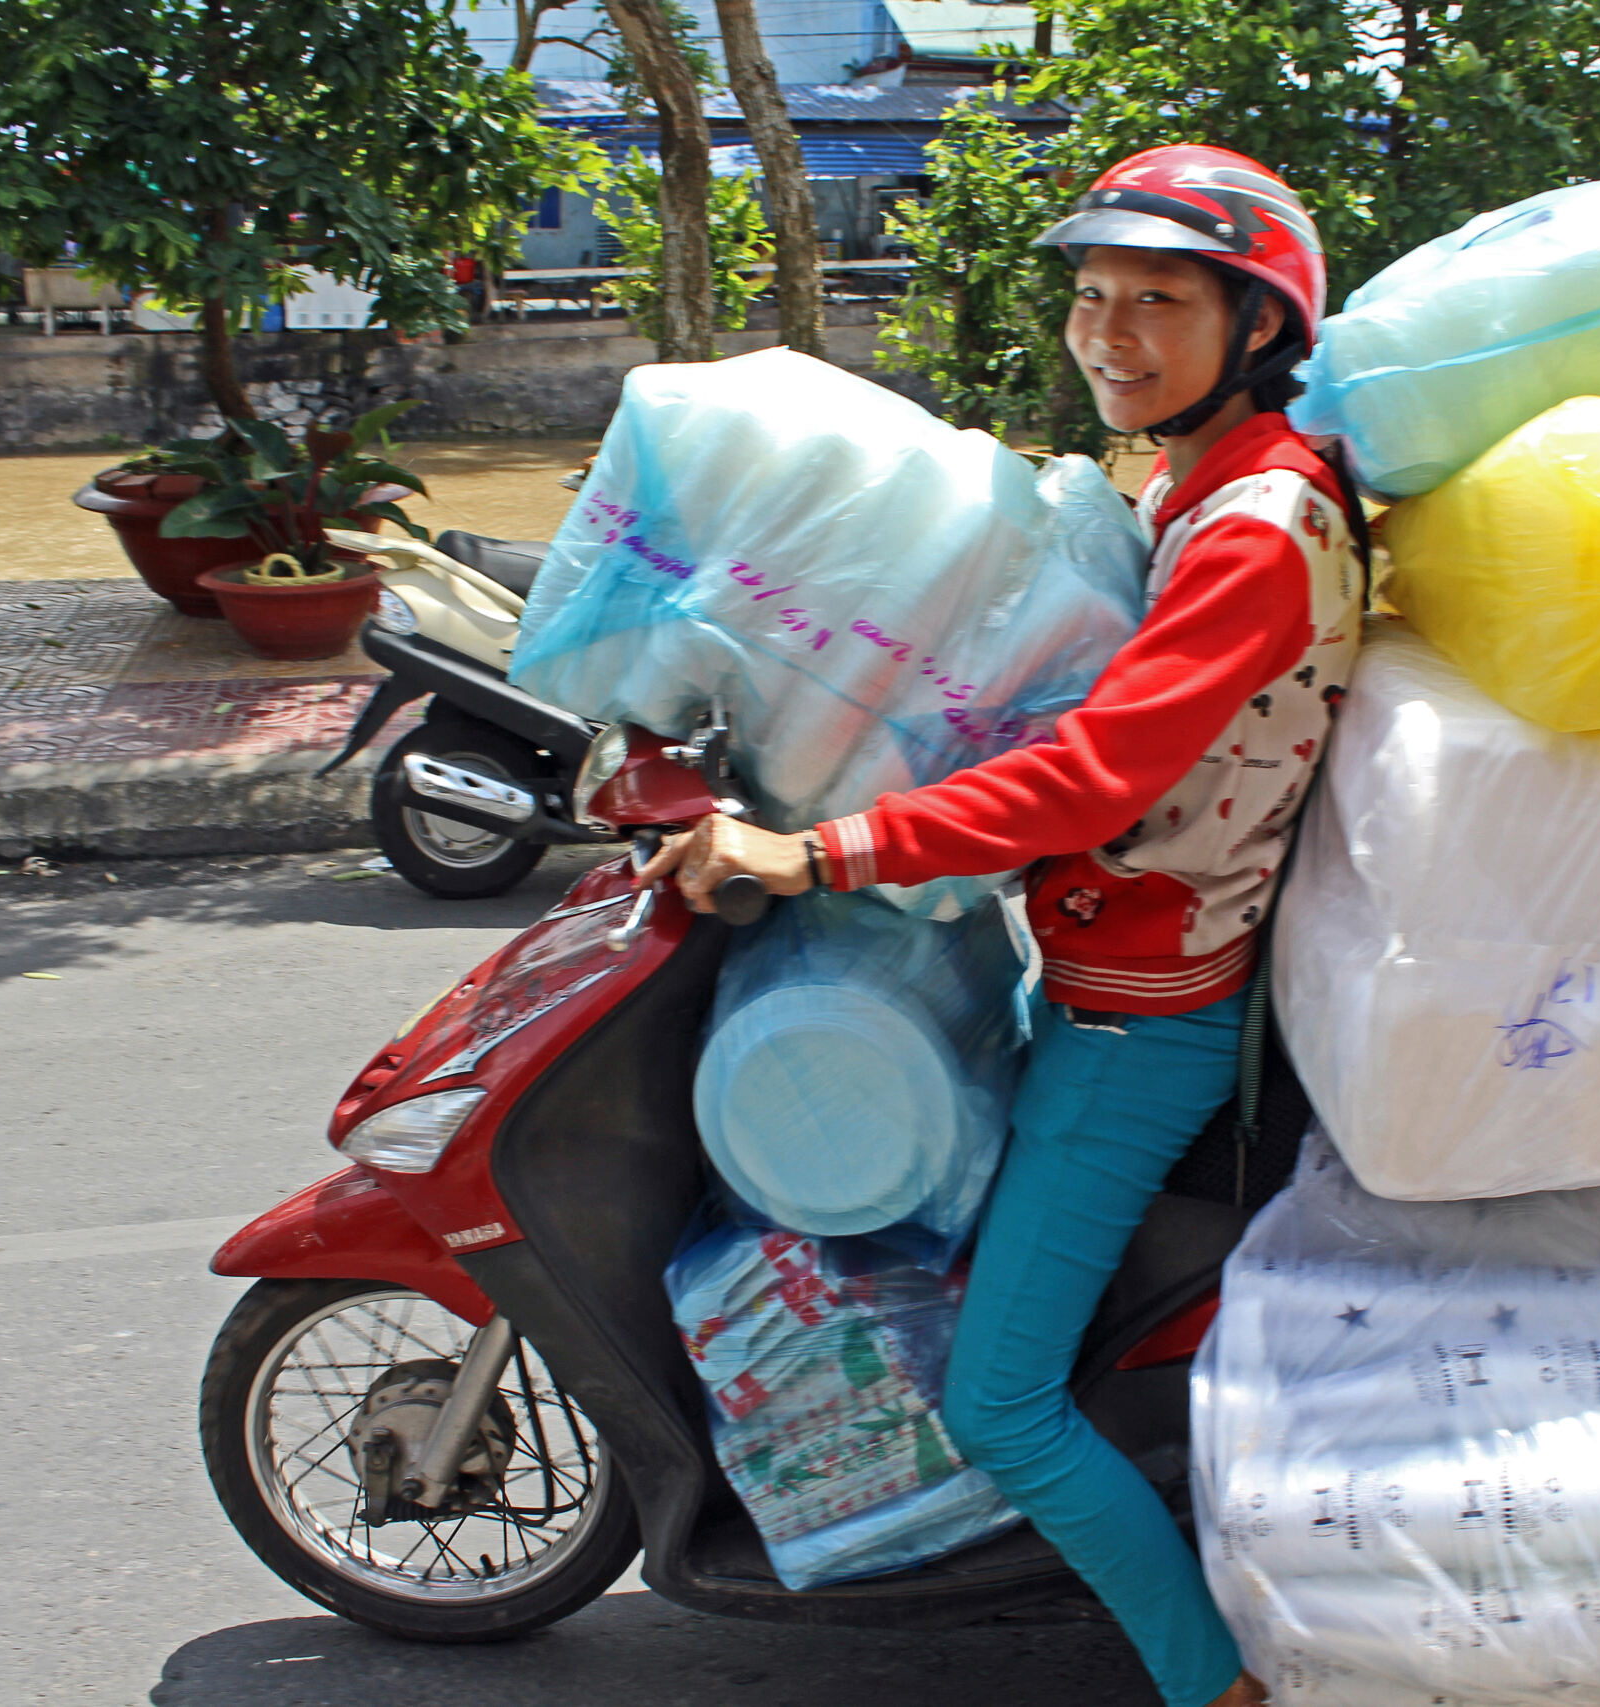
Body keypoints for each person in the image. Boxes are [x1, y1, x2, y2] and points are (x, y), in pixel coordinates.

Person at [640, 145, 1363, 1707]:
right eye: (1091, 298)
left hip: (1140, 1023)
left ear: (1257, 328)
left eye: (1157, 302)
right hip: (1106, 976)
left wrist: (824, 846)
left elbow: (1093, 770)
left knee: (1005, 1402)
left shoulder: (1255, 527)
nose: (1109, 333)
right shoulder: (1206, 481)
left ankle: (1213, 1686)